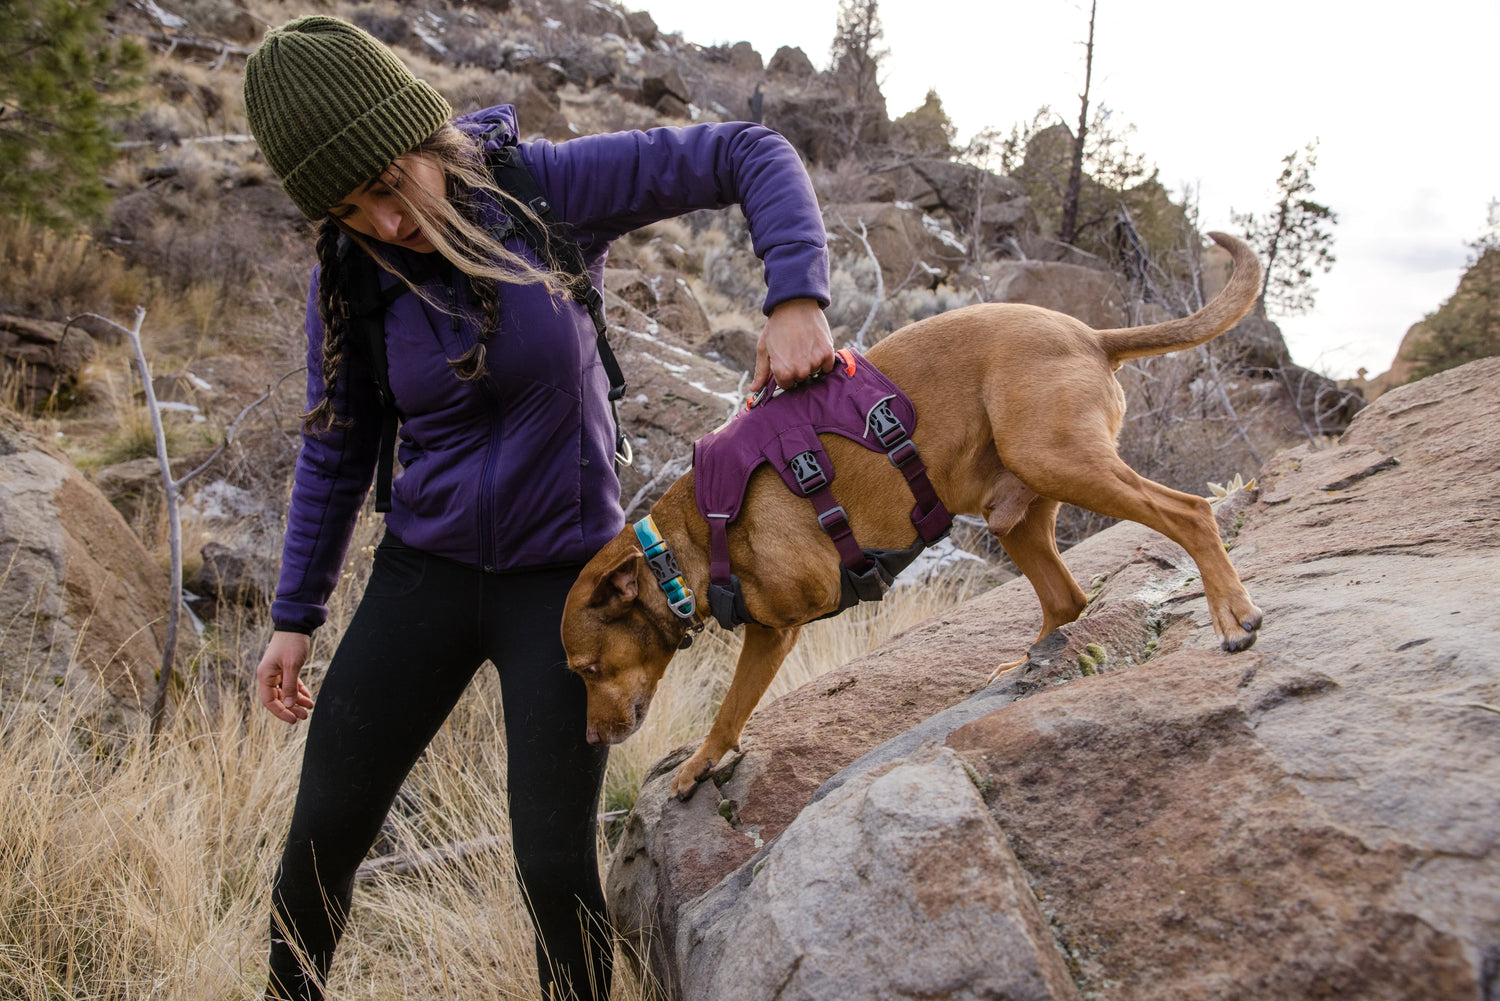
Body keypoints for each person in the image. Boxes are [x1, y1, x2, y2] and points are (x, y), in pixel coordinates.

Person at [242, 15, 835, 1001]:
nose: (386, 223)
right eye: (352, 210)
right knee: (316, 847)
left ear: (428, 139)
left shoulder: (543, 189)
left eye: (392, 184)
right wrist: (293, 617)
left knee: (553, 866)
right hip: (420, 575)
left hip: (566, 586)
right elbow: (337, 445)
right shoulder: (351, 279)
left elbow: (747, 149)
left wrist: (795, 294)